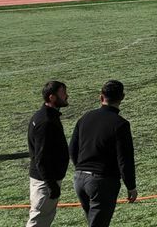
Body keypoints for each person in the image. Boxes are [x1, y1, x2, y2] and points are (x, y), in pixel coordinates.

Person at [70, 81, 137, 227]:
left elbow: (72, 149)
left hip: (80, 179)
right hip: (102, 182)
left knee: (94, 222)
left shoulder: (85, 118)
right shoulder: (120, 124)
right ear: (122, 97)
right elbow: (124, 159)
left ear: (101, 97)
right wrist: (130, 186)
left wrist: (81, 168)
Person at [27, 80, 69, 227]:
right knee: (38, 220)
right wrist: (51, 185)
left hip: (42, 179)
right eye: (63, 93)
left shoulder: (43, 116)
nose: (67, 96)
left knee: (42, 218)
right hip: (44, 181)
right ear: (52, 97)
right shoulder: (46, 121)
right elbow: (41, 158)